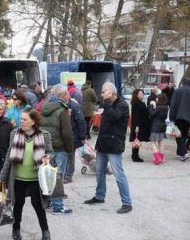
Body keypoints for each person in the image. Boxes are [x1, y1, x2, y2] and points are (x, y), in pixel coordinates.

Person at [0, 109, 53, 240]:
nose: (21, 121)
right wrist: (2, 176)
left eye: (24, 119)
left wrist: (49, 157)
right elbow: (8, 157)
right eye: (21, 119)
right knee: (18, 204)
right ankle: (16, 228)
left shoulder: (44, 135)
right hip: (18, 177)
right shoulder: (14, 134)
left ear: (33, 121)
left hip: (36, 178)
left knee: (38, 204)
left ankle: (45, 230)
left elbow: (51, 152)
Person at [84, 82, 132, 214]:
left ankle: (127, 203)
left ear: (111, 92)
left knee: (119, 175)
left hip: (114, 145)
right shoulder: (108, 105)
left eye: (104, 91)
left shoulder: (122, 105)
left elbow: (114, 116)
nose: (101, 94)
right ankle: (100, 196)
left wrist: (106, 103)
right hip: (103, 145)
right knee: (99, 172)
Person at [40, 84, 73, 214]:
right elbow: (66, 133)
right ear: (61, 95)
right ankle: (58, 206)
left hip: (47, 147)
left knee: (48, 175)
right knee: (58, 177)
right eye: (66, 93)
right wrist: (69, 147)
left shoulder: (44, 107)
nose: (68, 96)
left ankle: (48, 202)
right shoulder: (62, 109)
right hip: (60, 148)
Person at [64, 95, 87, 183]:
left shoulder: (73, 105)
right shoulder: (63, 104)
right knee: (66, 156)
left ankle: (68, 176)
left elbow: (81, 121)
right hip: (67, 135)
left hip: (73, 136)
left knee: (70, 156)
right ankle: (66, 174)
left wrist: (82, 136)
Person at [169, 77, 190, 161]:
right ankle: (180, 153)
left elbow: (173, 105)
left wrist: (171, 117)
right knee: (184, 135)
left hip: (179, 117)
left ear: (182, 83)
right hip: (188, 118)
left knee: (178, 135)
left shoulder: (178, 91)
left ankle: (184, 152)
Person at [129, 88, 150, 162]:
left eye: (143, 93)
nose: (143, 94)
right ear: (137, 95)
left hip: (142, 124)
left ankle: (135, 155)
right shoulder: (135, 103)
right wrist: (137, 126)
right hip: (138, 124)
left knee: (138, 139)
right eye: (141, 93)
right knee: (136, 139)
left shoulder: (141, 102)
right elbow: (136, 116)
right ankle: (135, 156)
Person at [148, 93, 169, 165]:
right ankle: (161, 158)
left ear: (160, 99)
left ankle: (157, 158)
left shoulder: (158, 107)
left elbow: (151, 113)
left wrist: (151, 105)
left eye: (157, 98)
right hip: (162, 126)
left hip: (156, 126)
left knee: (153, 142)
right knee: (161, 142)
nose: (156, 99)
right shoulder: (166, 107)